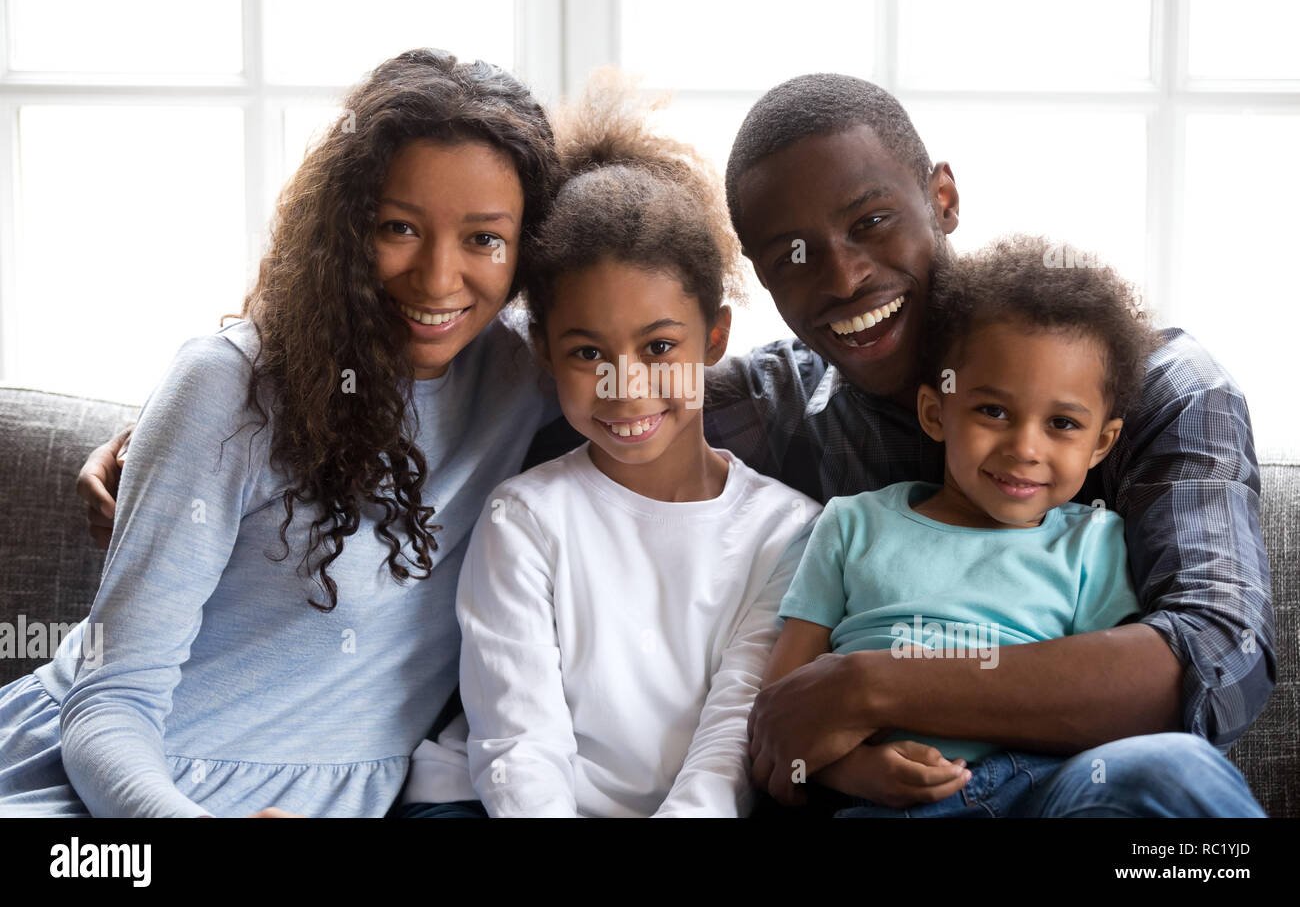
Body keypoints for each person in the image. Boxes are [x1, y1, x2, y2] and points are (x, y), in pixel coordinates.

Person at [76, 73, 1276, 818]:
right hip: (867, 796)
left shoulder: (1156, 385)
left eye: (871, 223)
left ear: (942, 199)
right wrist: (220, 410)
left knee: (1165, 784)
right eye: (791, 253)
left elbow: (1210, 662)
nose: (841, 276)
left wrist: (868, 684)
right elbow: (530, 330)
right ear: (750, 285)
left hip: (1065, 783)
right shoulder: (762, 401)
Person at [0, 48, 563, 817]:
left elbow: (672, 357)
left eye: (484, 239)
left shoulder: (532, 376)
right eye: (398, 227)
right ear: (344, 227)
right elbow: (110, 697)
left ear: (530, 248)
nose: (437, 278)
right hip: (106, 785)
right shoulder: (227, 386)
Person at [398, 73, 820, 817]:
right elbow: (518, 744)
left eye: (659, 347)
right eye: (588, 353)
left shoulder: (789, 532)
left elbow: (731, 736)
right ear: (544, 351)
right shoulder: (525, 518)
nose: (626, 386)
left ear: (715, 337)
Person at [761, 233, 1255, 816]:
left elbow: (1118, 712)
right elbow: (781, 709)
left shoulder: (1093, 543)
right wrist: (855, 771)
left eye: (1062, 424)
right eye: (992, 411)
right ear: (934, 412)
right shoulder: (850, 525)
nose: (1024, 448)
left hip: (1040, 789)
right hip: (883, 803)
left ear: (1102, 444)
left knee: (1176, 769)